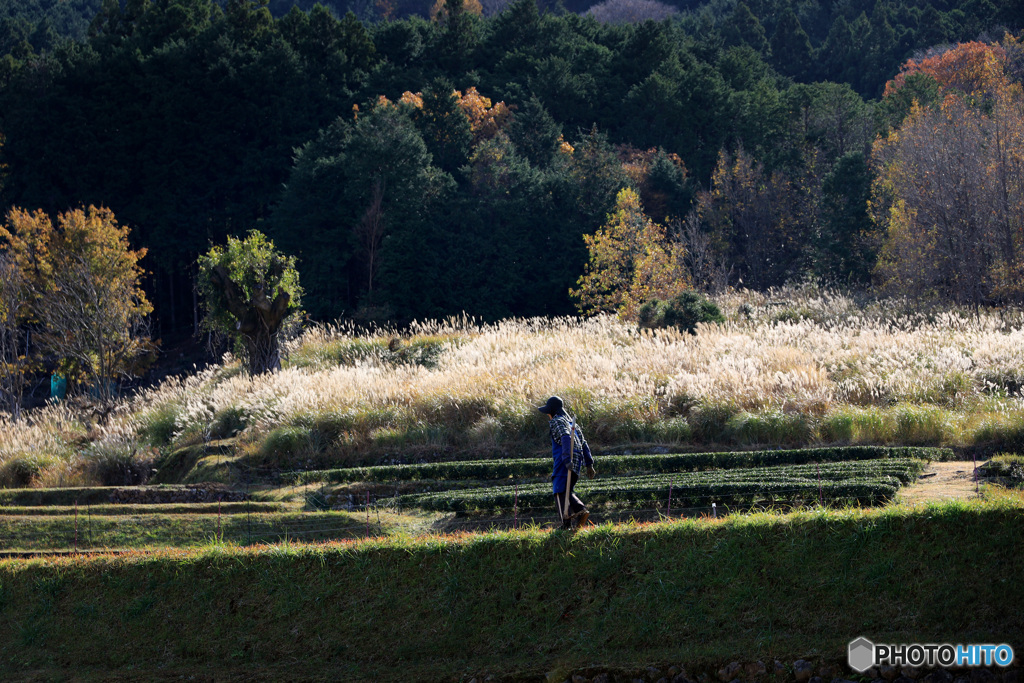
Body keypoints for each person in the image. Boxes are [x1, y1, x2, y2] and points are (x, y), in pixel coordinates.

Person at [537, 396, 596, 529]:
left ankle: (570, 519)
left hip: (565, 461)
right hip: (577, 462)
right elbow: (584, 444)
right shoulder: (573, 424)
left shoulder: (557, 421)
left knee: (558, 489)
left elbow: (565, 437)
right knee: (566, 491)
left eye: (548, 411)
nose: (547, 414)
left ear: (552, 411)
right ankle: (574, 516)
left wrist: (566, 459)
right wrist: (589, 464)